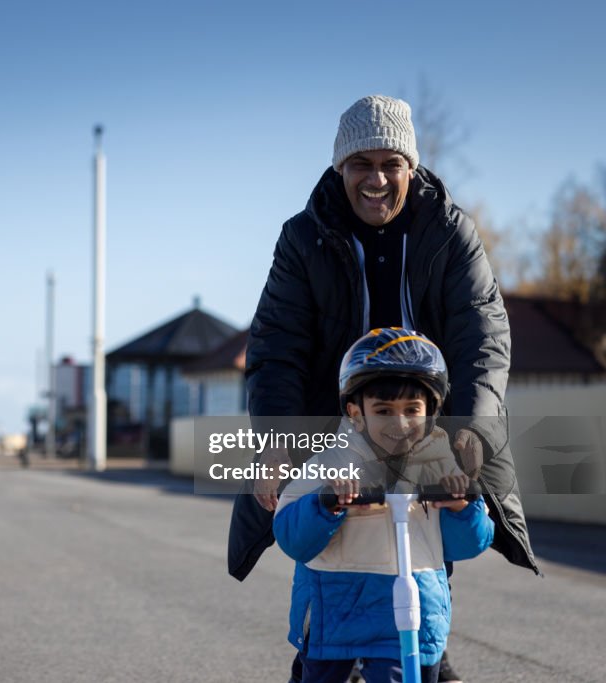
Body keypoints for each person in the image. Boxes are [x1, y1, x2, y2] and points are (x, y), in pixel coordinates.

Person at [229, 95, 540, 683]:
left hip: (422, 422)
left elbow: (482, 334)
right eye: (361, 165)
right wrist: (277, 442)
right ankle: (324, 655)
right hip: (335, 427)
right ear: (340, 169)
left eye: (390, 164)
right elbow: (277, 349)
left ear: (410, 168)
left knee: (427, 540)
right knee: (326, 543)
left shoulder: (449, 231)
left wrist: (471, 430)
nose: (376, 180)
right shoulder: (304, 237)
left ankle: (425, 656)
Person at [274, 329, 494, 683]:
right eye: (383, 410)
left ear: (431, 411)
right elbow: (292, 539)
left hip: (413, 619)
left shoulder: (441, 467)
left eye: (412, 410)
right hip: (337, 617)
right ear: (355, 413)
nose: (400, 423)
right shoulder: (329, 465)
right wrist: (326, 505)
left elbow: (466, 546)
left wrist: (461, 508)